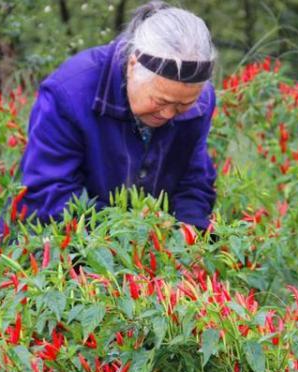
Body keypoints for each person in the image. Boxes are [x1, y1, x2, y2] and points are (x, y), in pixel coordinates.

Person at [13, 1, 217, 232]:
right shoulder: (69, 94)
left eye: (184, 104)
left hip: (154, 246)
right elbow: (50, 191)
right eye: (161, 101)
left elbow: (194, 181)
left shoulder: (201, 102)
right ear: (132, 66)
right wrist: (128, 236)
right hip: (70, 243)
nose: (169, 114)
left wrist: (186, 236)